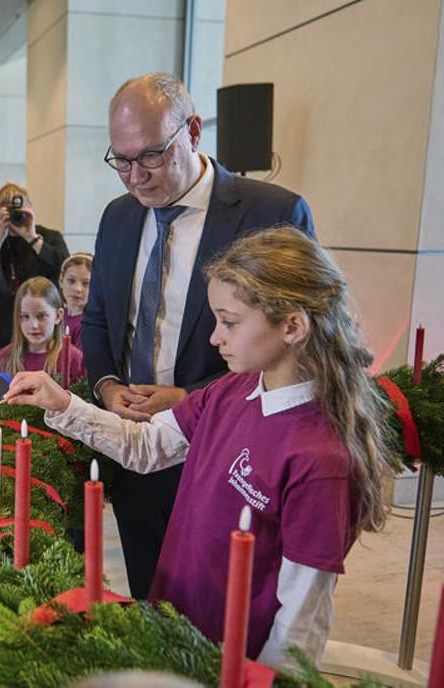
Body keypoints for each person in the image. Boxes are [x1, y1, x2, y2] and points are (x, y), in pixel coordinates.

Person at [7, 227, 392, 669]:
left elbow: (302, 615)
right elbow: (146, 446)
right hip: (175, 625)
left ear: (292, 325)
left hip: (233, 661)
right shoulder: (230, 391)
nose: (215, 338)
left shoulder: (320, 457)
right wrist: (66, 405)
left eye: (229, 322)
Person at [82, 72, 315, 598]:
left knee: (222, 613)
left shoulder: (272, 212)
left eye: (150, 157)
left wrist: (192, 400)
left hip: (230, 458)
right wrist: (108, 387)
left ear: (192, 131)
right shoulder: (119, 217)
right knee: (150, 597)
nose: (134, 177)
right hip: (137, 448)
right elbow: (98, 320)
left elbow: (296, 349)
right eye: (120, 159)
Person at [0, 183, 70, 350]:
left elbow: (64, 266)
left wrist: (32, 238)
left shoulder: (49, 237)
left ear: (30, 208)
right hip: (1, 336)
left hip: (43, 336)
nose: (14, 214)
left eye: (19, 208)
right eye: (7, 209)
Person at [0, 276, 85, 382]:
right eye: (25, 316)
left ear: (58, 316)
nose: (34, 325)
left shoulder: (74, 360)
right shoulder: (5, 358)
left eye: (41, 316)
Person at [59, 253, 93, 350]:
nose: (78, 289)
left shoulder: (88, 325)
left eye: (86, 283)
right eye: (71, 281)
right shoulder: (57, 315)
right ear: (61, 281)